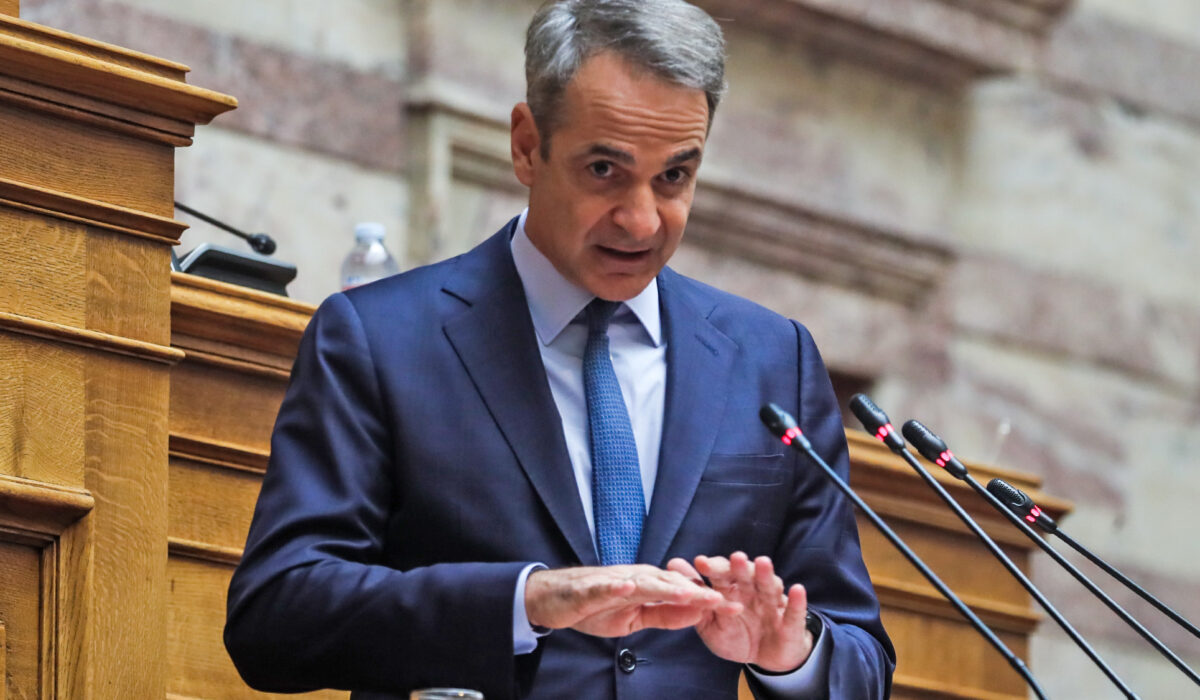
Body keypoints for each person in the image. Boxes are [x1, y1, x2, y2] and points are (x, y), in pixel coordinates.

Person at [224, 1, 894, 697]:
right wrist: (526, 601)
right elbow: (276, 615)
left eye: (673, 177)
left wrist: (791, 653)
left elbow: (861, 658)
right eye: (604, 169)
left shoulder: (774, 359)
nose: (642, 220)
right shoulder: (380, 339)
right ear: (526, 145)